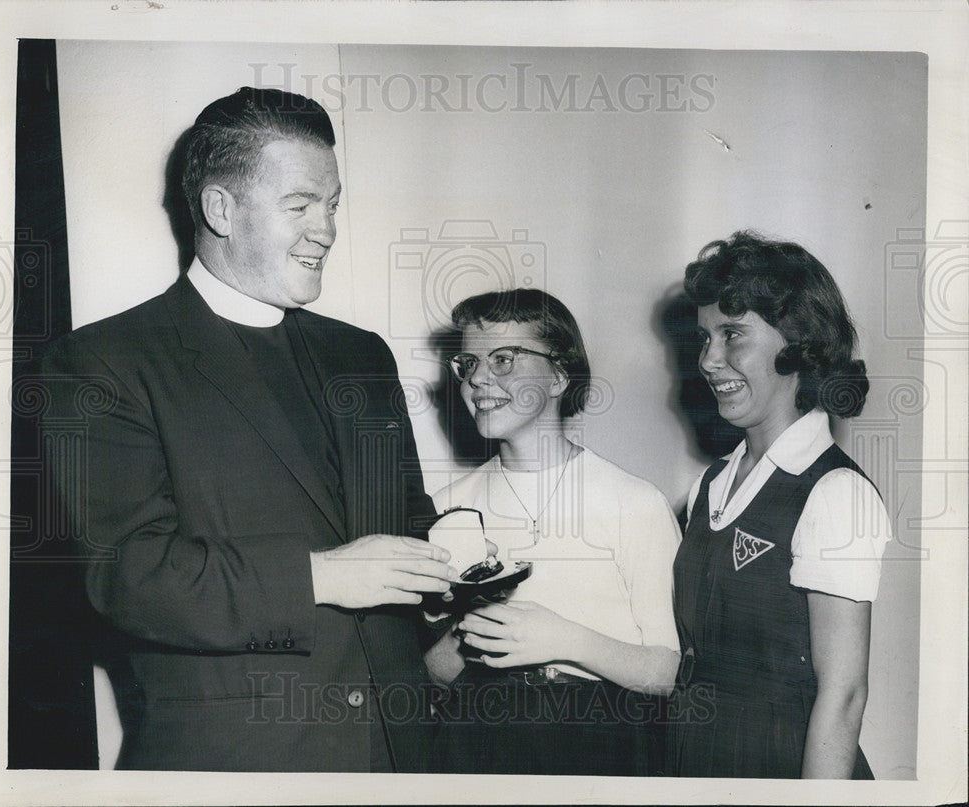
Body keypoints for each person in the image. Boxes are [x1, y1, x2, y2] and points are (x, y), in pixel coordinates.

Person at [38, 87, 457, 772]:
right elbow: (127, 576)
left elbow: (406, 518)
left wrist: (452, 555)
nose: (325, 228)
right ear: (220, 208)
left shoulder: (363, 354)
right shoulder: (102, 362)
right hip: (241, 763)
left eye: (332, 204)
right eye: (300, 205)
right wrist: (321, 576)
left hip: (400, 754)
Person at [427, 288, 681, 776]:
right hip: (478, 745)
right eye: (468, 363)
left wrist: (565, 640)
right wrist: (465, 635)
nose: (478, 378)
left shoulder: (634, 503)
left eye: (503, 359)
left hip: (604, 745)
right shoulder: (446, 509)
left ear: (560, 374)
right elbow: (433, 673)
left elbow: (671, 674)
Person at [669, 231, 892, 778]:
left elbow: (843, 696)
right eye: (704, 338)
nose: (708, 359)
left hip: (782, 767)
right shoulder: (708, 485)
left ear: (798, 343)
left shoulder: (837, 494)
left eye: (733, 335)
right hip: (696, 756)